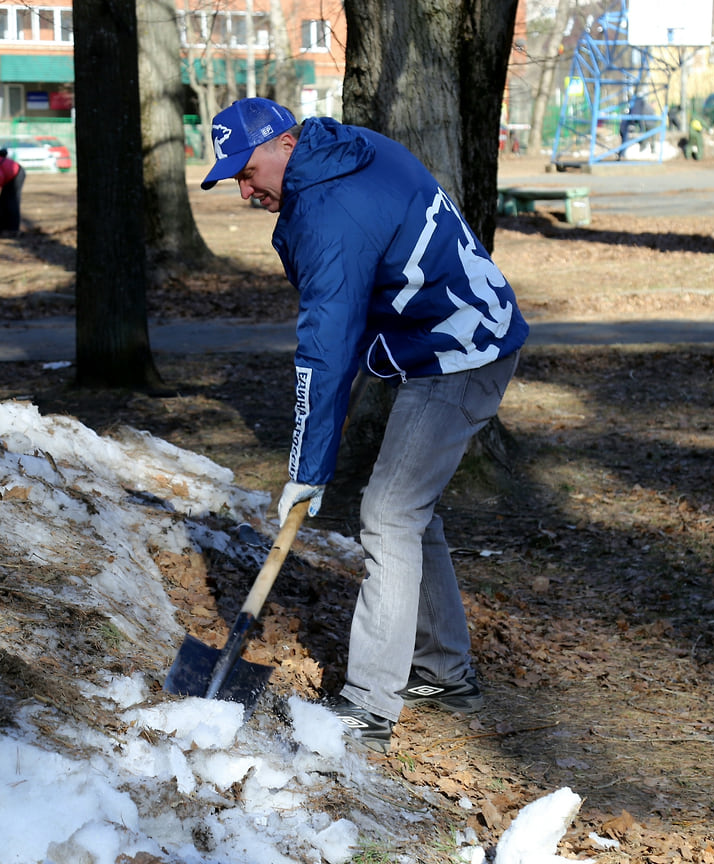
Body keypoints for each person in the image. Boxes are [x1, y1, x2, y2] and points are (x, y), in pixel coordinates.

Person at [201, 98, 529, 753]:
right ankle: (444, 672)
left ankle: (368, 710)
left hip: (459, 350)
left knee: (386, 515)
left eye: (248, 171)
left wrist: (306, 468)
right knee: (409, 511)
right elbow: (345, 325)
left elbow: (326, 344)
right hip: (444, 337)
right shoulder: (340, 154)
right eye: (232, 178)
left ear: (287, 145)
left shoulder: (330, 212)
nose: (243, 189)